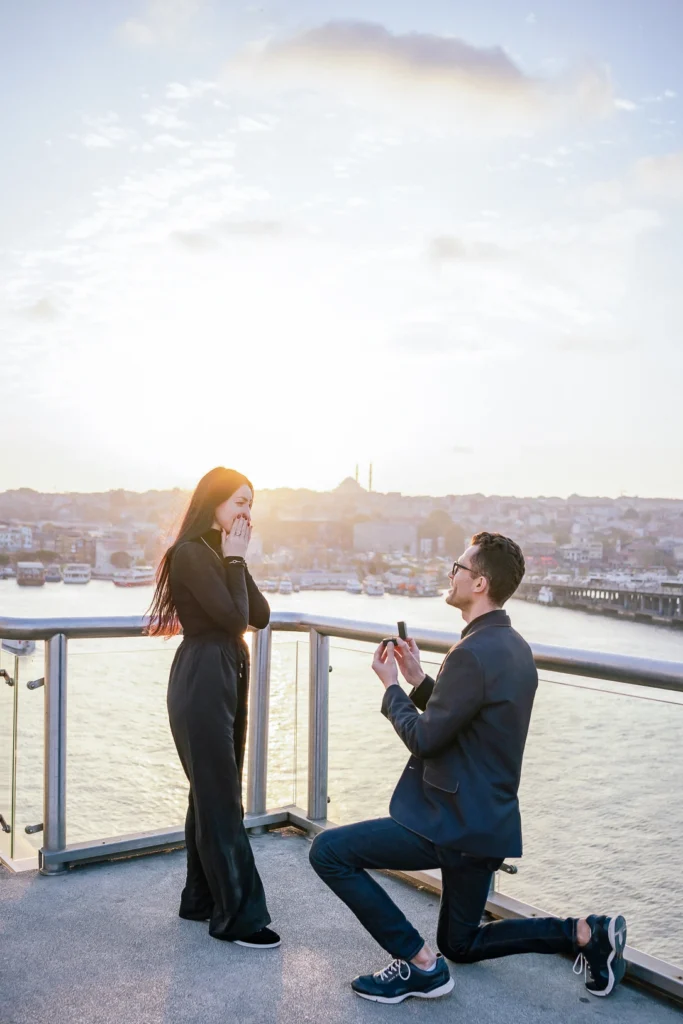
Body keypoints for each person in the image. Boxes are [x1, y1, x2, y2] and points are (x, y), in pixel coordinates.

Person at [310, 531, 626, 1003]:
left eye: (457, 567)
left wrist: (391, 687)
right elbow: (470, 722)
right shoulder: (513, 646)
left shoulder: (471, 653)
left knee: (329, 852)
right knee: (460, 943)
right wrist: (419, 681)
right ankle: (585, 933)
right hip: (485, 824)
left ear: (479, 583)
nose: (450, 574)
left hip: (447, 822)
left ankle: (420, 967)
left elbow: (424, 736)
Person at [147, 466, 280, 948]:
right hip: (202, 677)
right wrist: (235, 561)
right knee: (221, 798)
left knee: (208, 793)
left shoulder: (221, 552)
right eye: (241, 503)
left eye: (252, 505)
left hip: (226, 674)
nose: (247, 513)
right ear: (217, 502)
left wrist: (237, 559)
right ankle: (239, 918)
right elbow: (232, 619)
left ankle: (200, 899)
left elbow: (259, 616)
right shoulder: (188, 554)